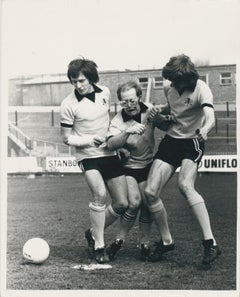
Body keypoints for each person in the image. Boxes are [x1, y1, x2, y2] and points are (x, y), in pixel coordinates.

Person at [144, 54, 221, 265]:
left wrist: (204, 130)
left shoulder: (201, 89)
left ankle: (210, 243)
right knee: (150, 192)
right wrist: (159, 112)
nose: (172, 84)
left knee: (185, 185)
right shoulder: (169, 88)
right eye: (171, 80)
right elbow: (174, 108)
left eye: (176, 80)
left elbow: (210, 116)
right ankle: (167, 242)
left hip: (192, 141)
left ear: (188, 78)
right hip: (171, 141)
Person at [60, 57, 129, 264]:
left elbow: (110, 121)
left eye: (81, 80)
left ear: (91, 78)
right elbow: (66, 138)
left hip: (108, 153)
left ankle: (92, 233)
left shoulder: (105, 93)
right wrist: (90, 139)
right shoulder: (68, 104)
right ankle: (99, 246)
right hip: (87, 156)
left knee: (122, 203)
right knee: (99, 194)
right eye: (74, 81)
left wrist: (119, 143)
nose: (78, 85)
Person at [106, 81, 175, 261]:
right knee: (134, 202)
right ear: (120, 102)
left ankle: (144, 244)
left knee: (147, 205)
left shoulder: (149, 110)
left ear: (139, 97)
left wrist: (163, 117)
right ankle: (119, 240)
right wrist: (127, 132)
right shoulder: (118, 120)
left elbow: (164, 126)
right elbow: (111, 143)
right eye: (124, 102)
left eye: (132, 100)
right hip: (128, 168)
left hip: (148, 166)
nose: (129, 105)